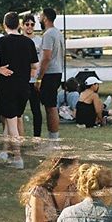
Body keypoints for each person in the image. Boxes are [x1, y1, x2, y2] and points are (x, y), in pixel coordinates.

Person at [0, 12, 39, 169]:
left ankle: (17, 158)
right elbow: (34, 66)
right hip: (23, 87)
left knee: (11, 123)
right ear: (19, 25)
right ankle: (4, 153)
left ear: (4, 25)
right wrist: (25, 75)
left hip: (7, 86)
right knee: (13, 120)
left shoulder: (2, 41)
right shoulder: (28, 42)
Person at [19, 156, 80, 222]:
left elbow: (78, 218)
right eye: (75, 167)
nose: (79, 171)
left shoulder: (72, 188)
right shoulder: (40, 191)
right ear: (62, 169)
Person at [36, 8, 65, 141]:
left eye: (41, 16)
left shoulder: (48, 34)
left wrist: (39, 78)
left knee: (50, 107)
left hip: (50, 73)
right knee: (51, 106)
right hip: (57, 71)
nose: (39, 18)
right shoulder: (58, 33)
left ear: (45, 18)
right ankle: (53, 138)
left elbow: (46, 57)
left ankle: (53, 140)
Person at [22, 13, 43, 137]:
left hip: (35, 80)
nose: (29, 26)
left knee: (36, 110)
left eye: (32, 24)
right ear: (22, 25)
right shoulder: (19, 39)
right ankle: (20, 137)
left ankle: (37, 137)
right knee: (18, 111)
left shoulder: (39, 41)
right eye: (27, 24)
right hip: (23, 80)